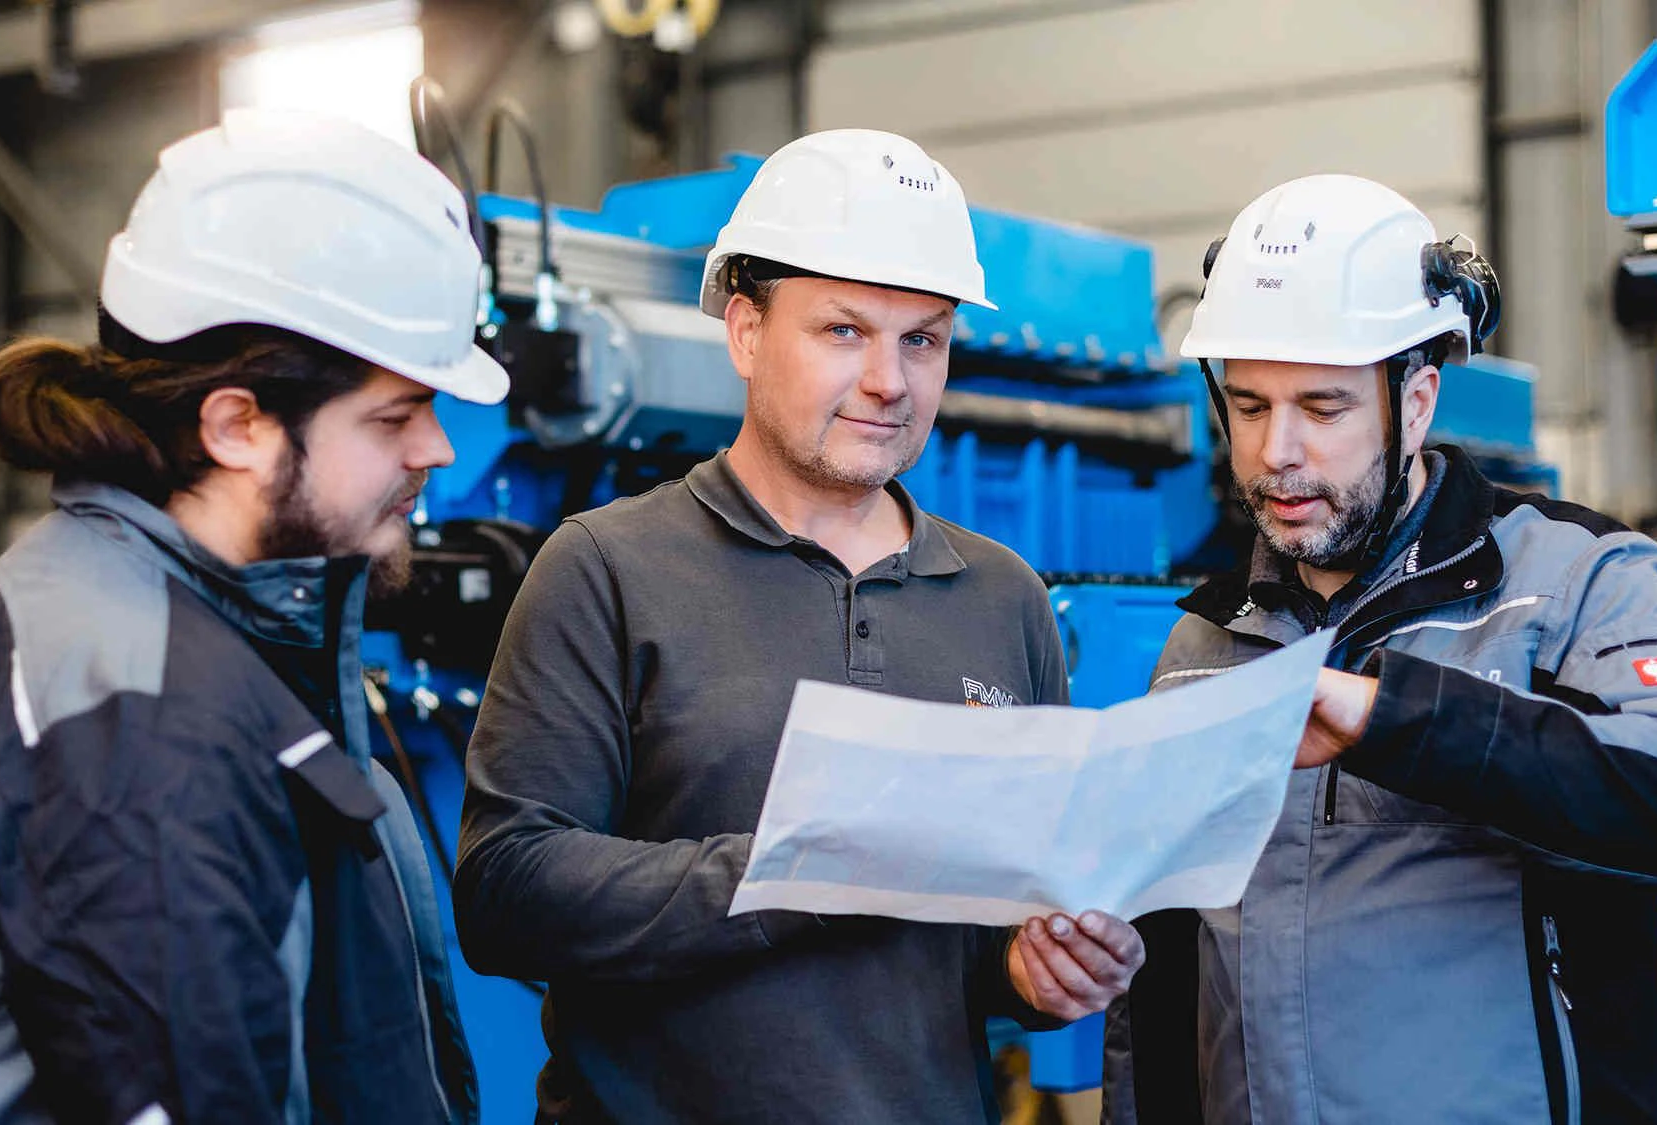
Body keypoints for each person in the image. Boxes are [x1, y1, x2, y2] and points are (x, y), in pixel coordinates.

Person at [456, 128, 1145, 1123]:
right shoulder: (606, 568)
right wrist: (799, 870)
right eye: (843, 331)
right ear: (744, 331)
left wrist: (1031, 974)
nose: (889, 381)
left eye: (922, 340)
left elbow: (983, 939)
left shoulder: (1004, 598)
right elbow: (505, 892)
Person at [0, 110, 505, 1124]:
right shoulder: (141, 712)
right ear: (237, 425)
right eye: (394, 415)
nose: (436, 449)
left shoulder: (204, 616)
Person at [1099, 173, 1657, 1125]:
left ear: (1415, 402)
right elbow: (1162, 994)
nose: (1277, 451)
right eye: (1248, 406)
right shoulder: (1202, 646)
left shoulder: (1571, 580)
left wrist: (1396, 716)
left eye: (1322, 408)